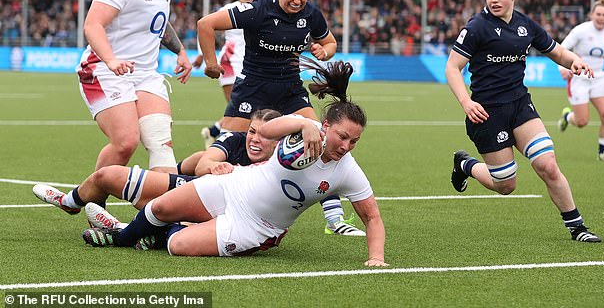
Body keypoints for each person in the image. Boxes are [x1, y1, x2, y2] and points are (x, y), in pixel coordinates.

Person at [82, 59, 388, 266]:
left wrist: (376, 258)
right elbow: (264, 129)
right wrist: (302, 124)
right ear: (326, 125)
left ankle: (138, 231)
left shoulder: (348, 170)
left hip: (255, 226)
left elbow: (371, 217)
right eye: (342, 137)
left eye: (354, 141)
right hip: (233, 185)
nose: (346, 147)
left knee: (179, 246)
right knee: (159, 206)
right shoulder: (298, 128)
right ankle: (123, 237)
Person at [197, 0, 361, 235]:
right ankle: (187, 193)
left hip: (290, 90)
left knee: (323, 140)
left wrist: (326, 50)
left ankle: (335, 220)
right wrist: (211, 64)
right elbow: (205, 24)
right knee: (229, 148)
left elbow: (330, 41)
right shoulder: (258, 9)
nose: (298, 1)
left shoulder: (310, 15)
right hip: (253, 87)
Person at [445, 0, 602, 243]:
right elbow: (452, 68)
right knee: (506, 185)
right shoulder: (476, 28)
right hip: (486, 114)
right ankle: (465, 164)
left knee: (548, 165)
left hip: (520, 106)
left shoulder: (525, 25)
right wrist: (466, 102)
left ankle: (577, 227)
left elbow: (556, 51)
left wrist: (573, 60)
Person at [32, 109, 282, 223]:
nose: (255, 139)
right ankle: (70, 203)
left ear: (279, 140)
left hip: (230, 218)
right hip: (198, 189)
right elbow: (205, 161)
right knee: (107, 176)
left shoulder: (282, 164)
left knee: (155, 210)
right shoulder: (235, 140)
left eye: (266, 135)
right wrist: (212, 167)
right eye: (252, 131)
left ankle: (126, 230)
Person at [77, 0, 192, 173]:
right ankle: (86, 199)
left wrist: (180, 51)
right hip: (104, 70)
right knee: (125, 143)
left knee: (161, 145)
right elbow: (92, 25)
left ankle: (159, 208)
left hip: (146, 75)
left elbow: (158, 24)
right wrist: (111, 59)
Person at [557, 0, 604, 162]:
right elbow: (561, 48)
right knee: (582, 122)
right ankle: (568, 117)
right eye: (598, 14)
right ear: (591, 15)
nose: (601, 18)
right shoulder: (580, 30)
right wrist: (562, 68)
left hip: (599, 79)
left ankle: (602, 153)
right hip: (579, 78)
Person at [193, 0, 258, 148]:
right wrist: (203, 55)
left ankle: (214, 132)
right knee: (239, 109)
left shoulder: (260, 9)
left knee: (246, 108)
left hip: (251, 64)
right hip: (230, 62)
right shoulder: (230, 9)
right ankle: (227, 146)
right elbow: (205, 25)